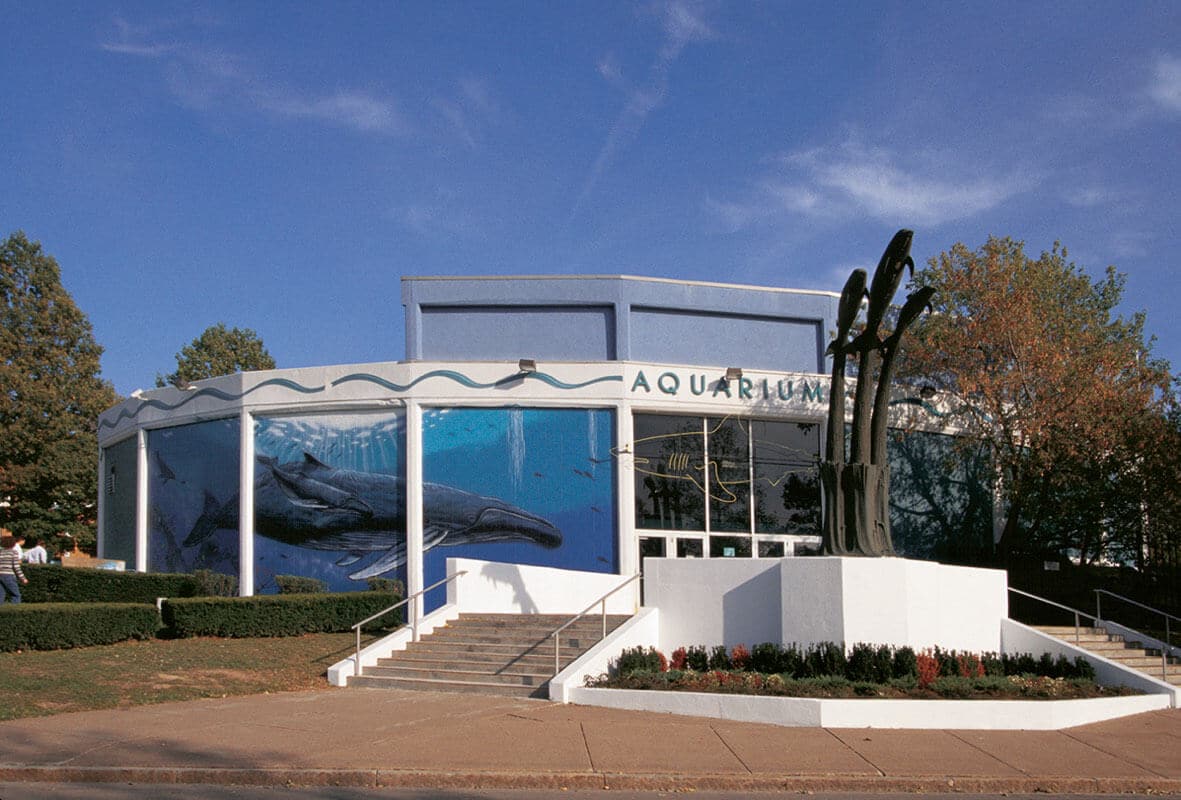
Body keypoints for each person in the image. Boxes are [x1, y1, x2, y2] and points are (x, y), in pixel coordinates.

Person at [0, 530, 28, 604]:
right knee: (16, 595)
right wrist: (23, 578)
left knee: (1, 595)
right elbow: (16, 567)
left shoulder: (0, 552)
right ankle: (14, 612)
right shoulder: (13, 552)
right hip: (8, 575)